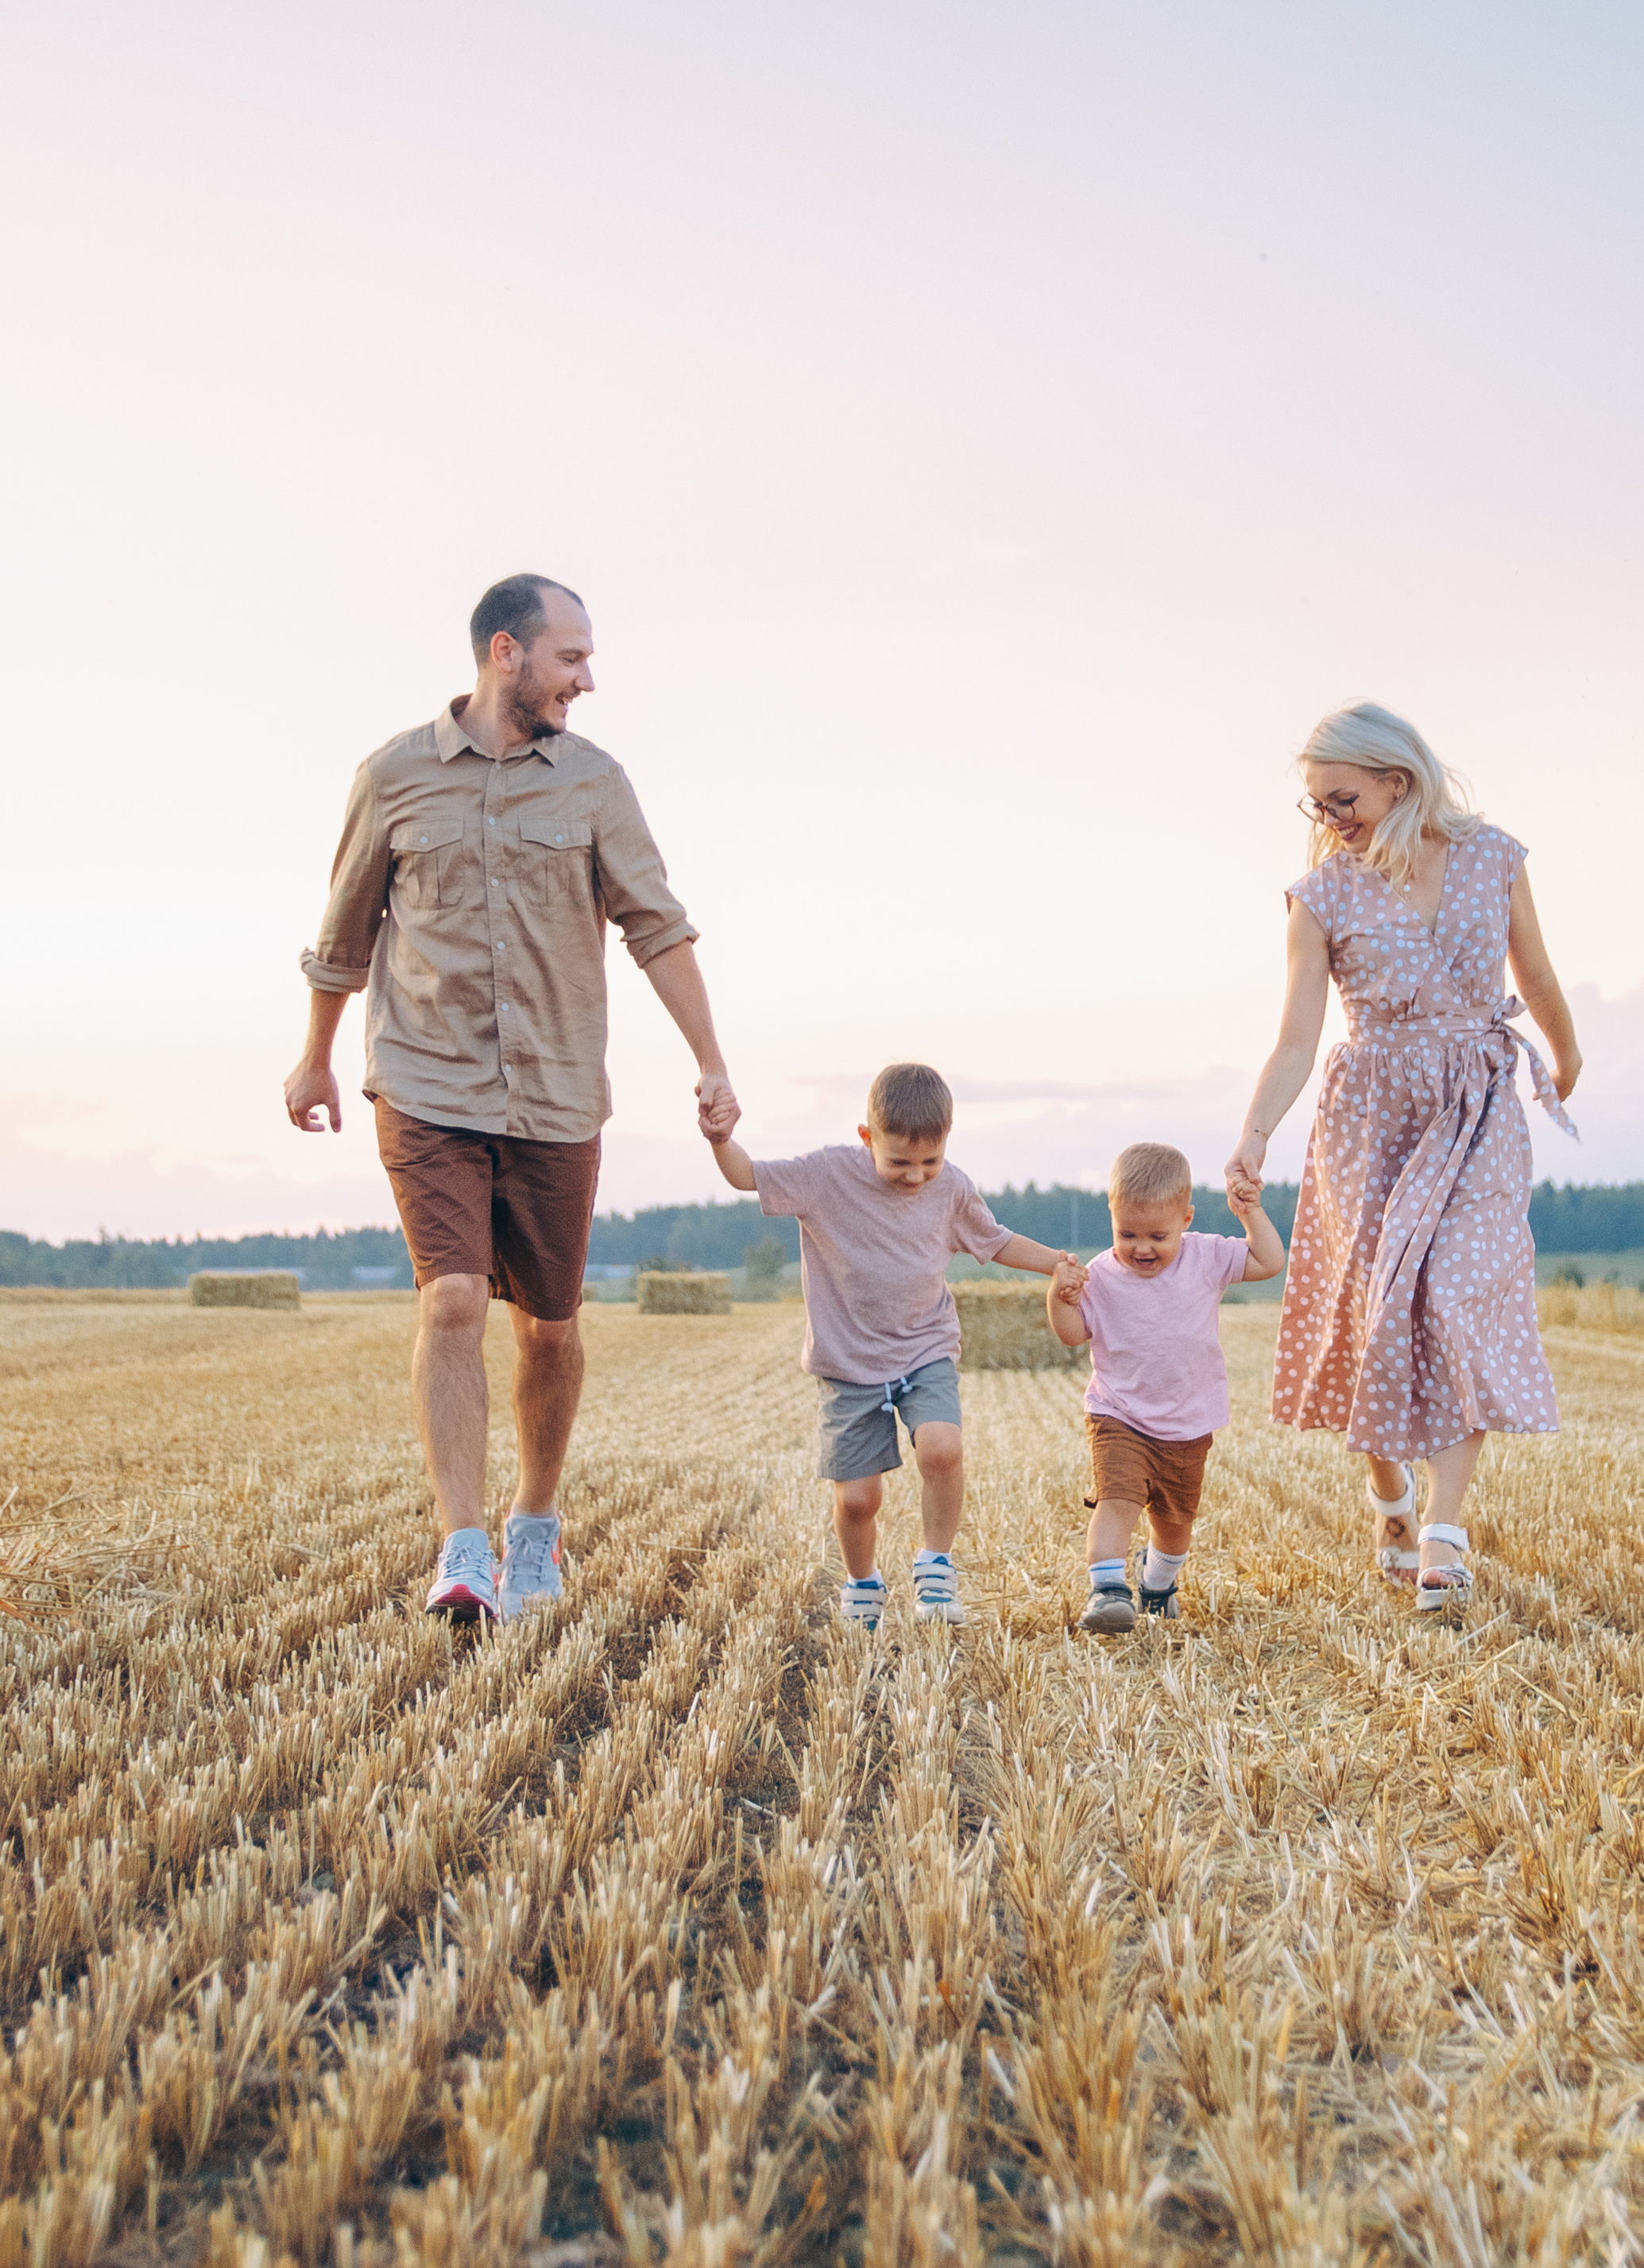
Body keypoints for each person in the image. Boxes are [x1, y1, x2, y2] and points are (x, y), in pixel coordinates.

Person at [286, 574, 738, 1627]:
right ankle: (462, 1546)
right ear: (506, 653)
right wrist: (313, 1057)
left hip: (556, 1090)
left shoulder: (595, 783)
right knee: (448, 1302)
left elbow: (657, 927)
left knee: (551, 1329)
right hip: (427, 1078)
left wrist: (710, 1060)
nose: (587, 678)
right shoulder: (393, 776)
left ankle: (534, 1521)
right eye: (571, 657)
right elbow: (344, 931)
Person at [1224, 701, 1580, 1611]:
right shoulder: (1319, 899)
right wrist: (1255, 1133)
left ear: (1397, 780)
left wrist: (1565, 1056)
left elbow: (1534, 974)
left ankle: (1444, 1533)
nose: (1328, 818)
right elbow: (1297, 1039)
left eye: (1340, 797)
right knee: (1369, 1311)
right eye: (1316, 805)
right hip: (1368, 1115)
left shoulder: (1494, 858)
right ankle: (1388, 1494)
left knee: (1461, 1291)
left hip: (1476, 1103)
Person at [709, 1061, 1077, 1625]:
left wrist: (1056, 1264)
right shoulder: (824, 1174)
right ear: (867, 1137)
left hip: (924, 1348)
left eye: (930, 1161)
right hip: (847, 1363)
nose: (916, 1176)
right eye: (900, 1162)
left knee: (941, 1449)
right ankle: (862, 1583)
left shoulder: (950, 1187)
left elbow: (995, 1242)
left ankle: (935, 1568)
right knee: (859, 1500)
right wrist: (721, 1139)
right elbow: (744, 1175)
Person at [1046, 1141, 1285, 1634]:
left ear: (1186, 1218)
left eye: (1158, 1234)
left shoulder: (1207, 1256)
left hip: (1187, 1422)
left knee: (1174, 1527)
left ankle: (1156, 1583)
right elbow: (1072, 1334)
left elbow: (1269, 1262)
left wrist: (1251, 1214)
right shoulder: (1102, 1276)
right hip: (1119, 1415)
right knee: (1118, 1500)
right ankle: (1109, 1591)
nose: (1141, 1247)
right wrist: (1059, 1298)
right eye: (1126, 1233)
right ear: (1111, 1217)